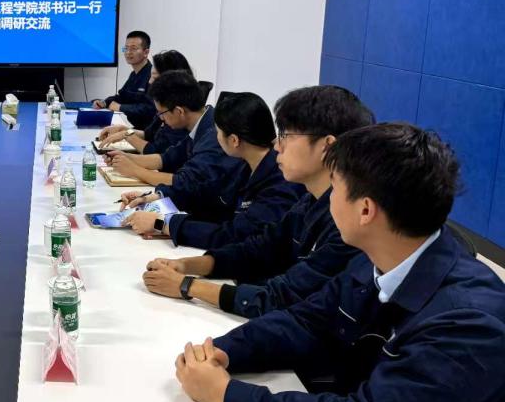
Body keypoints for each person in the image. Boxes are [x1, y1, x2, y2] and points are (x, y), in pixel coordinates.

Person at [173, 124, 505, 402]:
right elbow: (307, 319)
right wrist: (224, 351)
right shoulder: (378, 257)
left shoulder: (468, 323)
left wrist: (227, 396)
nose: (328, 198)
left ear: (365, 210)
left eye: (335, 187)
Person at [141, 85, 373, 318]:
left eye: (287, 136)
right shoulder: (309, 201)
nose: (277, 146)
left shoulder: (346, 225)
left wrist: (187, 285)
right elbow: (258, 249)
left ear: (327, 146)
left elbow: (284, 296)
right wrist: (186, 265)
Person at [122, 92, 304, 248]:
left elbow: (234, 235)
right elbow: (208, 192)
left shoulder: (280, 183)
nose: (215, 138)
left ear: (234, 140)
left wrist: (162, 224)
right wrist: (156, 197)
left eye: (218, 132)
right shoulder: (245, 163)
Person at [108, 71, 243, 222]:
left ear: (179, 111)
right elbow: (166, 159)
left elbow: (183, 183)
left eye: (161, 113)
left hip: (214, 216)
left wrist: (136, 171)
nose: (161, 119)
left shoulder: (214, 133)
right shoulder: (201, 122)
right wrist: (125, 157)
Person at [96, 50, 192, 155]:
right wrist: (124, 130)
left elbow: (158, 153)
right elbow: (148, 134)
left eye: (154, 77)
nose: (149, 82)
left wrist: (126, 136)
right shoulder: (164, 103)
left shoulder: (177, 113)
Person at [92, 30, 153, 128]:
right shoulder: (134, 74)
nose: (128, 52)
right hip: (133, 126)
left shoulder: (153, 76)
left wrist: (120, 107)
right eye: (126, 48)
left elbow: (150, 109)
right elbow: (122, 97)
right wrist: (104, 102)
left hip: (146, 131)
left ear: (146, 52)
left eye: (133, 48)